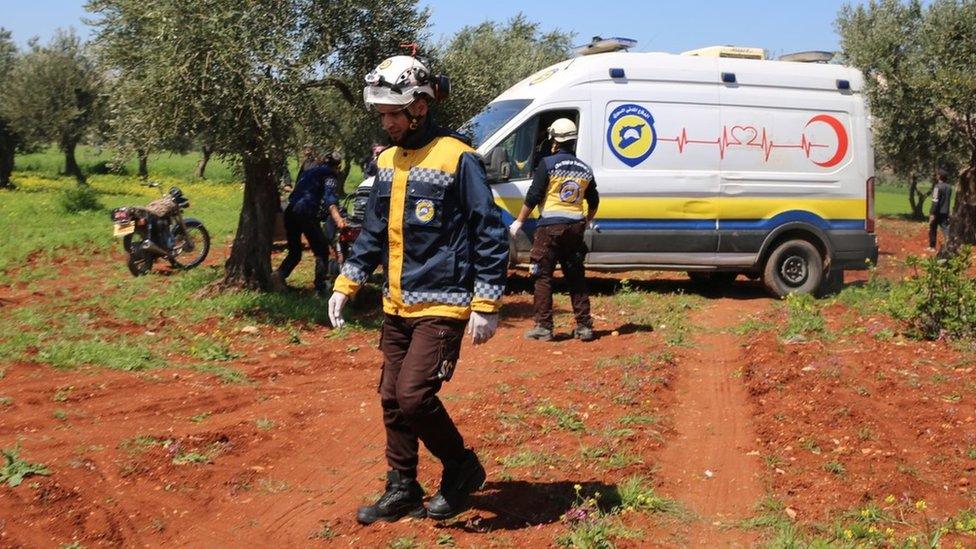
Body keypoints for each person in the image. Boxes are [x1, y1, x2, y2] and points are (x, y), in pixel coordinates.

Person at [328, 55, 508, 524]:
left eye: (394, 114)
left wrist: (486, 302)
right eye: (382, 114)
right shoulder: (387, 160)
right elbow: (371, 232)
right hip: (396, 304)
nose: (387, 123)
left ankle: (462, 467)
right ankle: (402, 486)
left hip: (443, 305)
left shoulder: (458, 157)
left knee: (413, 396)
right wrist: (347, 283)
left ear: (420, 108)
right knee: (390, 397)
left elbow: (489, 229)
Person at [509, 118, 598, 342]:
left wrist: (519, 221)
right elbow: (594, 200)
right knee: (576, 276)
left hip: (550, 227)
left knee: (543, 275)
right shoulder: (585, 169)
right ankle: (584, 326)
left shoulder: (547, 164)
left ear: (554, 140)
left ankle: (544, 327)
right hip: (575, 228)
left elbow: (534, 195)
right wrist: (586, 220)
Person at [270, 160, 347, 294]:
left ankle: (279, 275)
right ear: (337, 167)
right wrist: (339, 220)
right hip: (305, 212)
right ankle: (320, 287)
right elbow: (330, 199)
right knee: (322, 251)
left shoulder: (309, 172)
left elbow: (296, 193)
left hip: (290, 211)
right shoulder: (330, 175)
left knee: (295, 252)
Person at [927, 167, 953, 252]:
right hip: (945, 212)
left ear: (939, 176)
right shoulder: (949, 188)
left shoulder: (937, 187)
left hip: (937, 212)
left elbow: (935, 201)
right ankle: (950, 245)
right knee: (946, 229)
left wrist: (932, 213)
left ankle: (932, 247)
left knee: (932, 228)